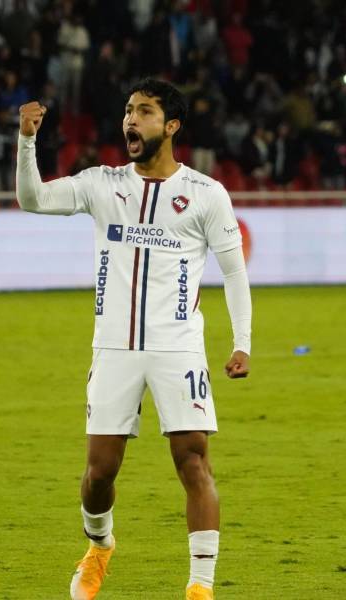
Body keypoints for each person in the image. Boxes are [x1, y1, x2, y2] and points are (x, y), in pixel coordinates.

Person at [16, 78, 252, 600]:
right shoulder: (102, 183)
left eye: (143, 111)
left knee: (194, 462)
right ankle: (100, 547)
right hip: (115, 348)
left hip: (179, 347)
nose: (130, 120)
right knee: (99, 473)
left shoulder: (207, 195)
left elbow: (233, 272)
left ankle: (200, 588)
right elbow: (31, 199)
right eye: (127, 110)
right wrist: (27, 140)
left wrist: (242, 342)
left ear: (171, 126)